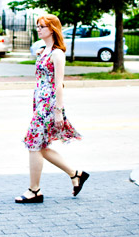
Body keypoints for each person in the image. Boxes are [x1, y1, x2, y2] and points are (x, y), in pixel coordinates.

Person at [16, 14, 88, 204]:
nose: (38, 29)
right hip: (40, 103)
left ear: (52, 29)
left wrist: (58, 111)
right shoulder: (43, 50)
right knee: (41, 146)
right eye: (37, 26)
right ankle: (75, 174)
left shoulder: (57, 53)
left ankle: (34, 190)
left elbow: (59, 84)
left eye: (42, 26)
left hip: (49, 104)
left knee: (33, 143)